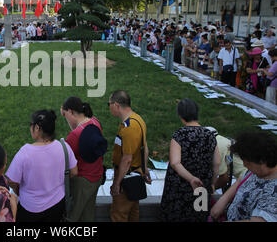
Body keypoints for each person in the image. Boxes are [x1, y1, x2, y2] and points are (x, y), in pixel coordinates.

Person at [6, 110, 78, 222]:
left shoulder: (25, 152)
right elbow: (74, 172)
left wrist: (18, 190)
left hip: (30, 209)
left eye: (31, 125)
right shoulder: (64, 147)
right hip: (57, 204)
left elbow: (11, 181)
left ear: (37, 128)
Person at [160, 99, 220, 222]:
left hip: (179, 188)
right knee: (199, 216)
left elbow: (175, 162)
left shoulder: (179, 135)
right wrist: (212, 183)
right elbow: (217, 163)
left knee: (176, 217)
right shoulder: (210, 135)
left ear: (180, 116)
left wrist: (191, 178)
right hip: (202, 187)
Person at [210, 132, 277, 222]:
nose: (245, 165)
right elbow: (240, 181)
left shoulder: (273, 191)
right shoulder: (258, 171)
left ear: (262, 161)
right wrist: (223, 200)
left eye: (247, 163)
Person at [108, 90, 151, 222]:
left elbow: (127, 159)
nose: (108, 107)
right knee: (133, 213)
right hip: (135, 175)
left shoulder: (129, 127)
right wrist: (144, 169)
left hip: (127, 179)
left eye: (108, 104)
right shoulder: (138, 119)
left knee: (118, 215)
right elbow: (145, 148)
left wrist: (117, 183)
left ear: (116, 105)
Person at [61, 97, 106, 222]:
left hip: (81, 183)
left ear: (71, 112)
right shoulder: (95, 122)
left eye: (66, 116)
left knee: (72, 217)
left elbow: (64, 163)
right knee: (87, 216)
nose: (66, 120)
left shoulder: (74, 136)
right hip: (97, 178)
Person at [205, 127, 247, 192]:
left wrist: (207, 190)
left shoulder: (216, 146)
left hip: (245, 179)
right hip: (245, 176)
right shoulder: (221, 140)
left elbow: (224, 179)